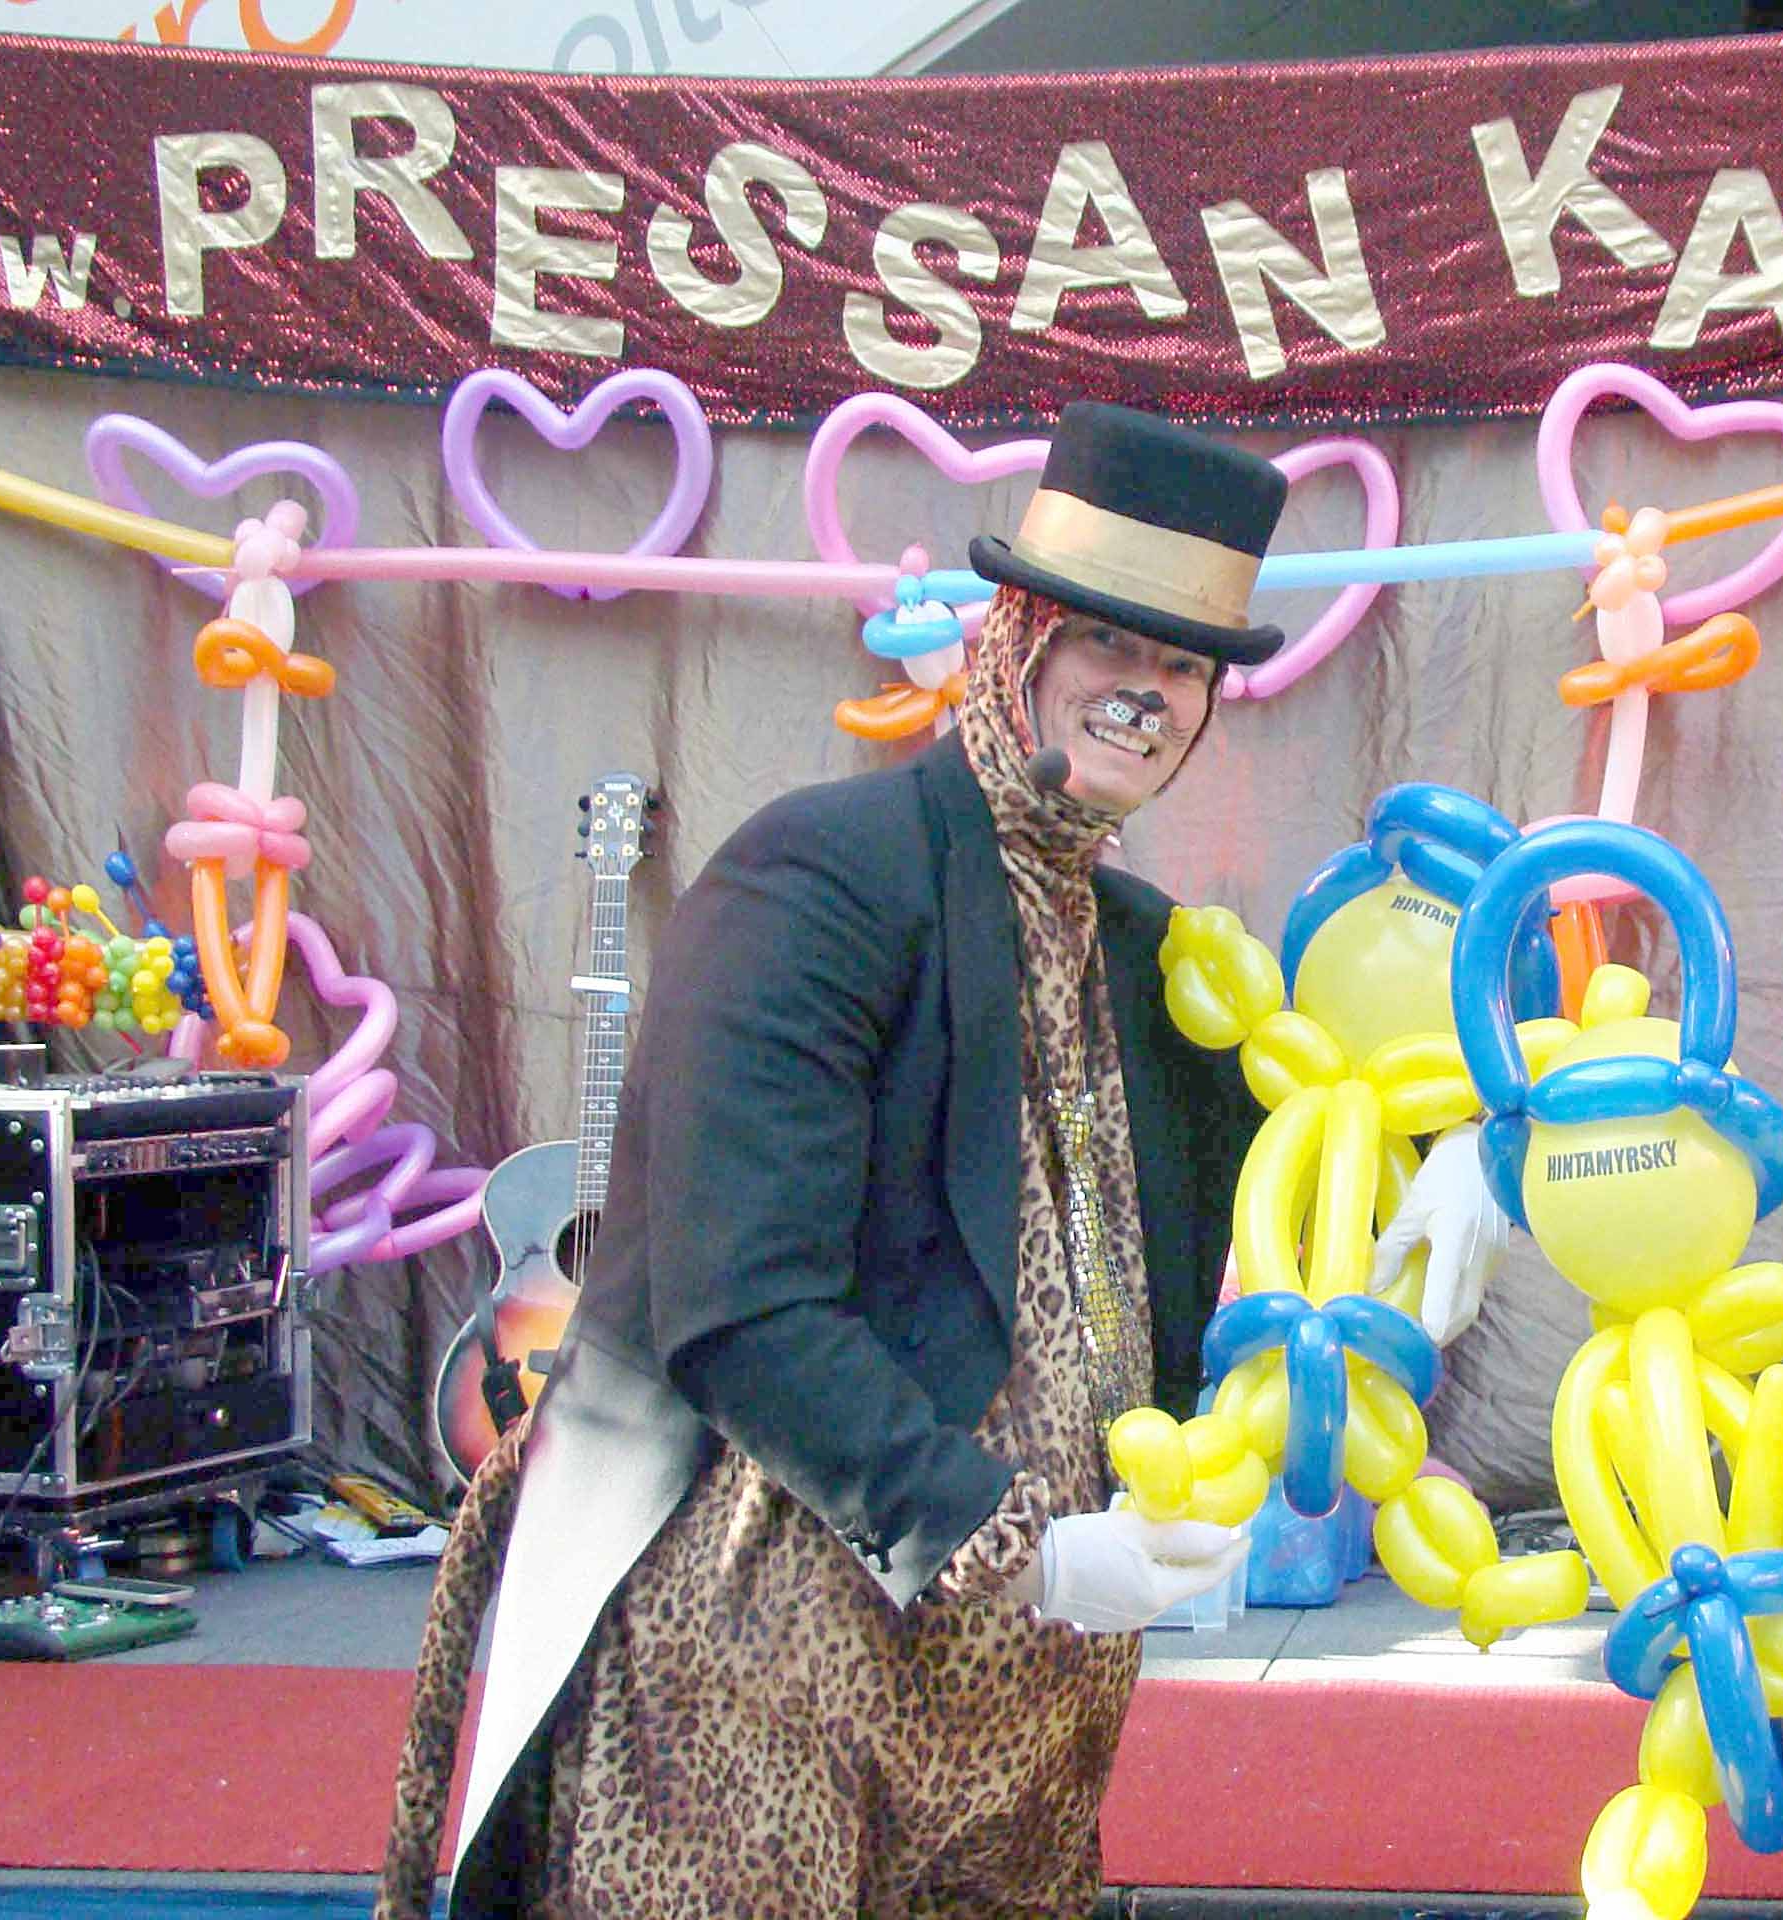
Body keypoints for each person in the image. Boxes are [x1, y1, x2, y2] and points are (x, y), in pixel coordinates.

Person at [374, 403, 1286, 1919]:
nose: (1149, 693)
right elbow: (739, 1304)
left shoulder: (1142, 948)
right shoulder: (823, 874)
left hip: (1027, 1725)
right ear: (1016, 637)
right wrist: (1020, 1549)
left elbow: (1292, 1183)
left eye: (1186, 665)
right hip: (759, 1673)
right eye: (1111, 644)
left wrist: (1467, 1156)